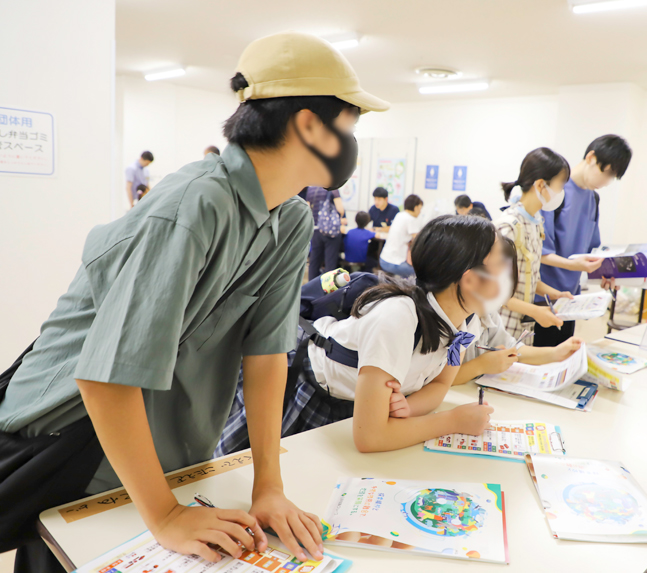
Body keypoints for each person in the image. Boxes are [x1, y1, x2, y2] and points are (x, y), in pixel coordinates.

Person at [0, 31, 389, 572]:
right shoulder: (195, 204)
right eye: (350, 123)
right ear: (309, 124)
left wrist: (268, 486)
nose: (352, 140)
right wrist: (163, 513)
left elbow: (268, 354)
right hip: (79, 435)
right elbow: (104, 378)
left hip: (170, 445)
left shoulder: (291, 218)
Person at [216, 215, 497, 455]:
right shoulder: (398, 317)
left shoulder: (467, 320)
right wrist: (453, 421)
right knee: (240, 476)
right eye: (499, 264)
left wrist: (408, 409)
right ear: (468, 277)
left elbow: (439, 385)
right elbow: (370, 437)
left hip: (356, 403)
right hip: (306, 387)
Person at [536, 134, 632, 347]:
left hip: (571, 300)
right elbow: (540, 252)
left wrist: (605, 271)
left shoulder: (593, 198)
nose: (606, 183)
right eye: (606, 173)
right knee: (540, 363)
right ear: (591, 157)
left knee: (562, 359)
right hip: (542, 298)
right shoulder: (555, 190)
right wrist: (572, 265)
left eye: (612, 178)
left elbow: (591, 250)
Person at [453, 235, 583, 385]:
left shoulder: (487, 315)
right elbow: (440, 379)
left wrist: (556, 353)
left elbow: (514, 349)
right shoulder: (455, 320)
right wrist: (480, 365)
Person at [495, 147, 576, 343]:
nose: (560, 193)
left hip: (523, 330)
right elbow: (495, 292)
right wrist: (537, 311)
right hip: (501, 329)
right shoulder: (508, 227)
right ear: (541, 185)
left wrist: (556, 294)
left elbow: (529, 278)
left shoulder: (536, 222)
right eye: (559, 186)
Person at [306, 185, 347, 279]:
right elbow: (340, 209)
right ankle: (327, 289)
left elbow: (307, 208)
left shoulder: (311, 189)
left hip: (315, 230)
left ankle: (311, 287)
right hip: (330, 231)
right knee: (330, 262)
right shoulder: (333, 189)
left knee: (314, 261)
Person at [379, 194, 423, 277]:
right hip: (394, 263)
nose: (420, 212)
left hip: (384, 259)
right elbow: (418, 241)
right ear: (416, 207)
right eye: (420, 208)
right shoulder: (411, 219)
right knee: (420, 273)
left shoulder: (399, 215)